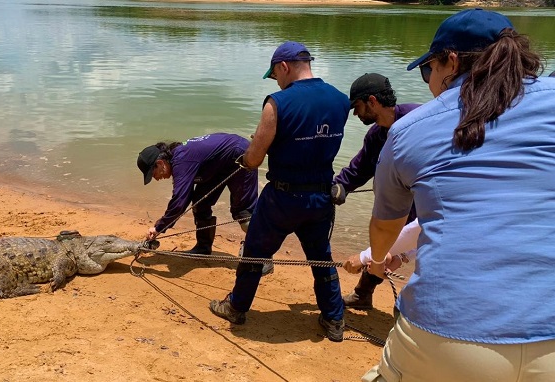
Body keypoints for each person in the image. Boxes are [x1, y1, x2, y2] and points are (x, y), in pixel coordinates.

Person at [363, 9, 555, 381]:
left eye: (427, 71)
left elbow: (385, 229)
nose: (429, 83)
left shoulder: (407, 130)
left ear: (450, 61)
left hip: (448, 336)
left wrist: (377, 260)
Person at [208, 41, 350, 342]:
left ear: (284, 66)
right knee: (321, 258)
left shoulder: (277, 102)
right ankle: (334, 319)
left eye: (275, 74)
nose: (277, 81)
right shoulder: (340, 100)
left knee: (255, 253)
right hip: (321, 196)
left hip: (283, 198)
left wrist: (246, 154)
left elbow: (255, 159)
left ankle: (236, 307)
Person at [331, 73, 420, 310]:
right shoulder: (376, 135)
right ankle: (363, 294)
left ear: (372, 101)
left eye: (357, 107)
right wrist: (339, 186)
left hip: (427, 201)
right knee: (385, 246)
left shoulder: (418, 119)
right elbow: (360, 168)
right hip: (399, 206)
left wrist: (362, 258)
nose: (355, 114)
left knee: (420, 253)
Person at [137, 133, 258, 255]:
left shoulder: (182, 160)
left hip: (240, 156)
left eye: (153, 174)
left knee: (244, 213)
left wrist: (159, 228)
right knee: (201, 204)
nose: (156, 179)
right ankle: (203, 248)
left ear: (160, 163)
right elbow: (185, 196)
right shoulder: (178, 159)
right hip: (219, 165)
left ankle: (263, 258)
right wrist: (161, 225)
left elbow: (179, 202)